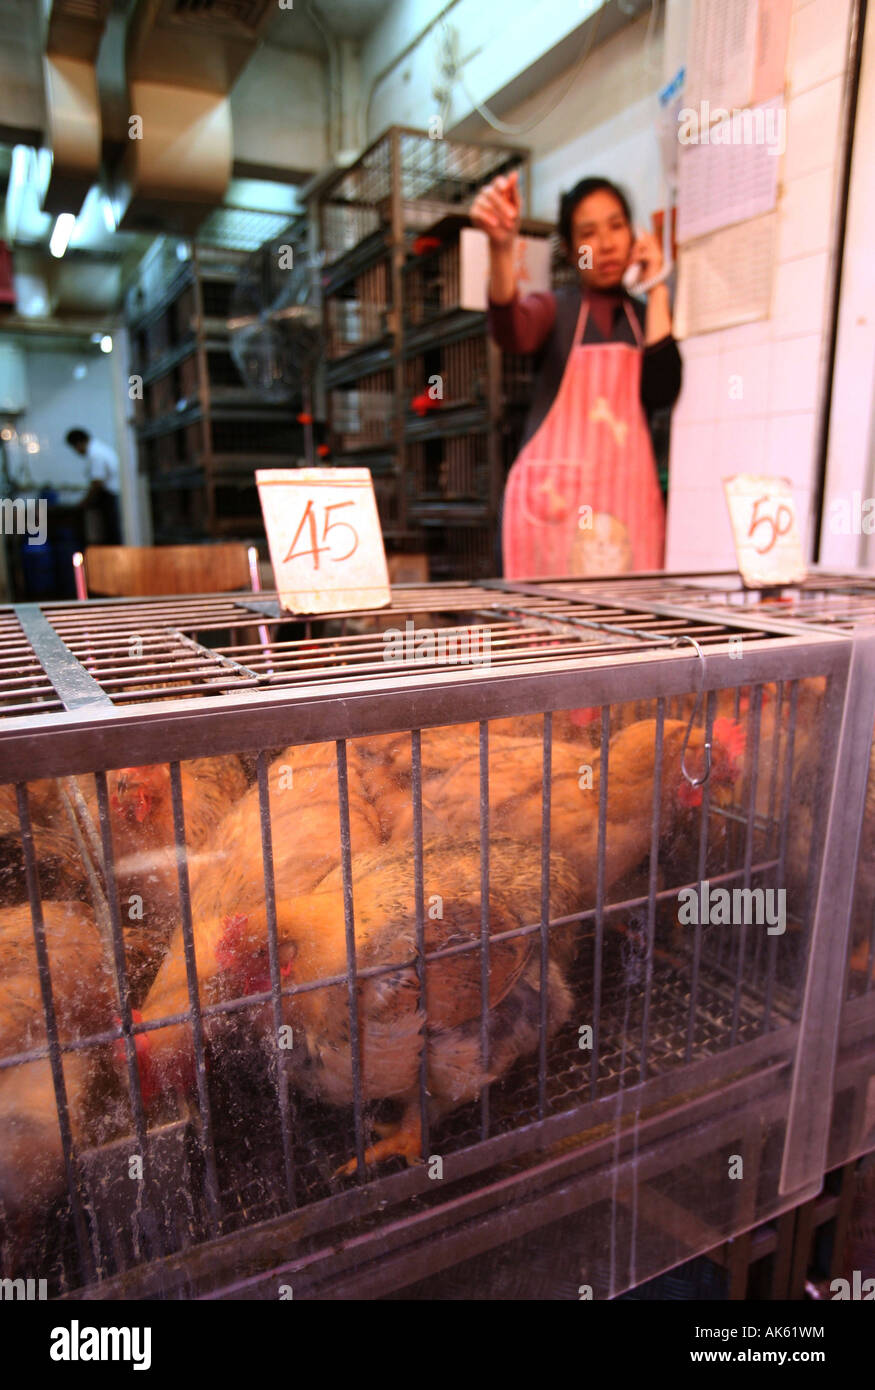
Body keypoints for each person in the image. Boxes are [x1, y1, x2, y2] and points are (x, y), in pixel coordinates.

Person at [471, 171, 682, 578]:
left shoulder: (644, 318)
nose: (606, 244)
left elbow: (663, 390)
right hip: (558, 513)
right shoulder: (555, 310)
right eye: (589, 233)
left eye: (617, 226)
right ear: (570, 250)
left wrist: (657, 287)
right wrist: (501, 248)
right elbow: (510, 329)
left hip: (625, 513)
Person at [65, 428, 121, 544]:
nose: (76, 452)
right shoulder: (98, 449)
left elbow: (97, 483)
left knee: (112, 535)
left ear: (79, 443)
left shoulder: (95, 454)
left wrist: (83, 503)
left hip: (111, 497)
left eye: (74, 448)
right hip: (110, 497)